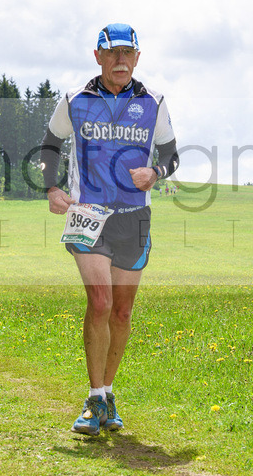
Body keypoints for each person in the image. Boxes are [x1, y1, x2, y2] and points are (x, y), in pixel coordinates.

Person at [40, 23, 179, 435]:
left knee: (121, 311)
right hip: (89, 214)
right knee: (99, 303)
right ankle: (94, 397)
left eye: (128, 53)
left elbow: (172, 156)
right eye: (112, 53)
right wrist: (51, 187)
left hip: (134, 217)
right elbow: (49, 143)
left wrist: (155, 172)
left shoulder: (155, 102)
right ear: (98, 56)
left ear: (137, 57)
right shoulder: (75, 100)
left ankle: (108, 392)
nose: (121, 60)